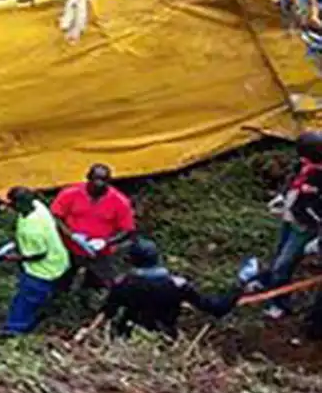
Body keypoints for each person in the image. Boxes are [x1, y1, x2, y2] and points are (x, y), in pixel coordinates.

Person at [97, 238, 248, 337]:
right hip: (165, 338)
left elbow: (108, 313)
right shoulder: (178, 285)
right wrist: (240, 284)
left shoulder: (123, 285)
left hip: (128, 336)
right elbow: (216, 308)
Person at [255, 131, 322, 319]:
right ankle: (267, 281)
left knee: (284, 264)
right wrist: (283, 196)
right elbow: (293, 180)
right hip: (290, 216)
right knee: (278, 253)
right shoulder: (304, 164)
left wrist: (318, 237)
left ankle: (279, 303)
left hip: (305, 226)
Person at [0, 186, 70, 335]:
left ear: (18, 205)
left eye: (9, 204)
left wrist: (9, 257)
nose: (7, 206)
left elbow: (38, 255)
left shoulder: (32, 229)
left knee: (25, 300)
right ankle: (45, 311)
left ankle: (14, 329)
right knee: (44, 295)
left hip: (42, 270)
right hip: (58, 258)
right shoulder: (38, 206)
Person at [50, 163, 137, 289]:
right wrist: (71, 235)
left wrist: (105, 242)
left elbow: (128, 230)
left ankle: (87, 295)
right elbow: (56, 216)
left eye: (103, 180)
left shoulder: (120, 202)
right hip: (70, 248)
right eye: (96, 179)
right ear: (88, 178)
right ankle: (61, 297)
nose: (99, 183)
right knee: (63, 276)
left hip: (99, 253)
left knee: (96, 281)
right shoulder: (70, 193)